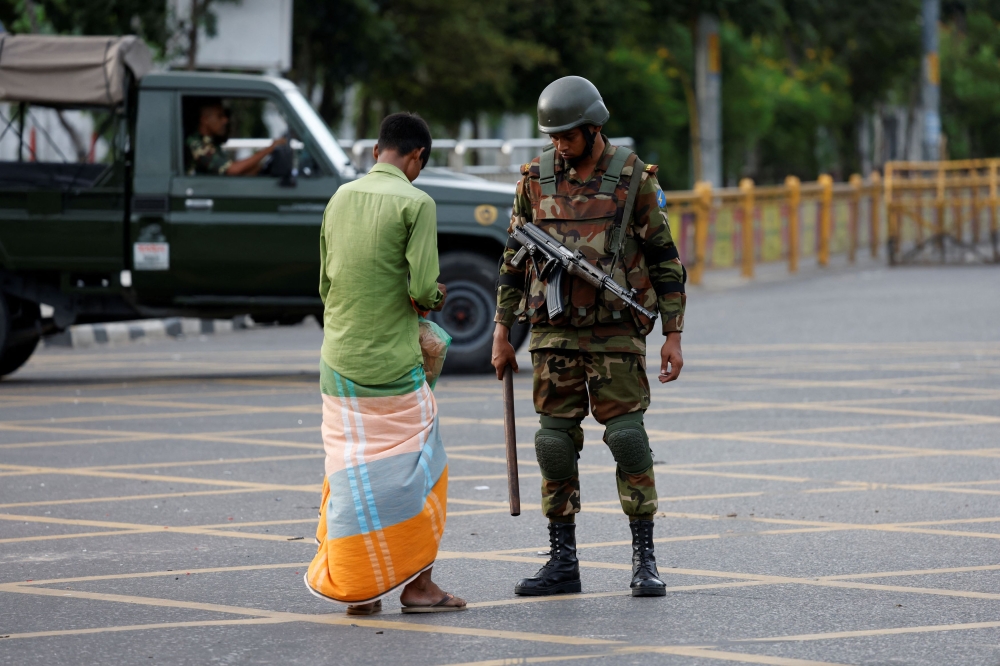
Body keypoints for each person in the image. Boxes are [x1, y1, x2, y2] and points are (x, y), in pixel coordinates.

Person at [491, 76, 687, 598]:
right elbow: (513, 260)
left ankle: (644, 559)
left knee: (627, 440)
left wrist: (673, 334)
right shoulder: (534, 179)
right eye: (553, 137)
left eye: (568, 136)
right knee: (553, 445)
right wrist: (501, 332)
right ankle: (562, 561)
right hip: (553, 335)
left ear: (593, 129)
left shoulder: (631, 176)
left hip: (616, 333)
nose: (559, 146)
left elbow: (665, 259)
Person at [305, 112, 466, 615]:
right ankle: (418, 587)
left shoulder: (339, 198)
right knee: (422, 469)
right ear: (416, 157)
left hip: (338, 362)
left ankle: (360, 589)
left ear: (377, 151)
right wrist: (436, 295)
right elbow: (421, 288)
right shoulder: (417, 203)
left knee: (349, 471)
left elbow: (325, 286)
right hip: (391, 367)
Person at [186, 98, 287, 176]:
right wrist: (269, 149)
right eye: (219, 116)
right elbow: (231, 170)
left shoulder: (211, 143)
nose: (225, 120)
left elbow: (236, 172)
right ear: (205, 120)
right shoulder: (196, 143)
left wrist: (262, 166)